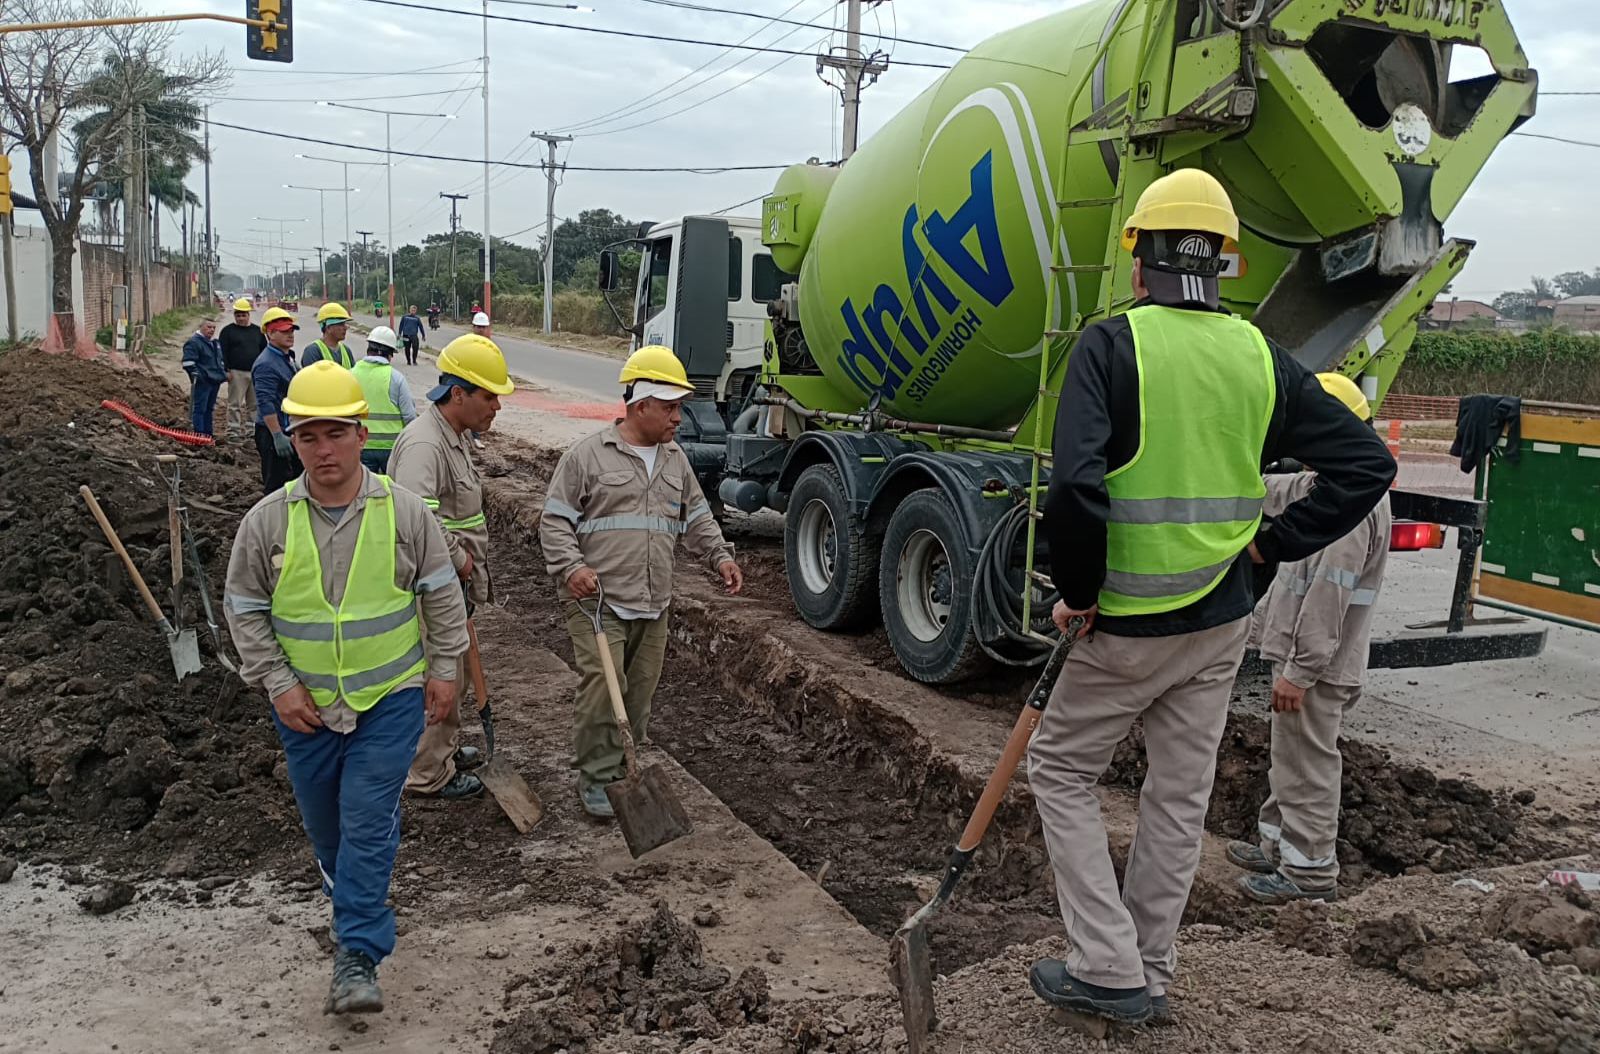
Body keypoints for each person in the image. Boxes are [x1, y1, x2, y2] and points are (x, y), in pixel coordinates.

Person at [1026, 169, 1396, 1027]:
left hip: (1124, 623)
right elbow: (1367, 467)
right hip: (1220, 621)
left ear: (1137, 260)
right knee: (1177, 799)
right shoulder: (1260, 354)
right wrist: (1266, 548)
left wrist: (1076, 592)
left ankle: (1107, 963)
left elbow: (1077, 491)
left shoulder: (1111, 345)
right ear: (1224, 263)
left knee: (1060, 769)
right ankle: (1150, 971)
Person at [223, 360, 469, 1016]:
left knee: (365, 817)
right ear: (293, 442)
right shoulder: (268, 523)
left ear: (363, 434)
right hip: (304, 709)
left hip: (388, 698)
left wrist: (445, 671)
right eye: (308, 436)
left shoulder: (406, 515)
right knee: (327, 828)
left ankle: (357, 951)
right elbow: (243, 605)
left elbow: (443, 597)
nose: (323, 449)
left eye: (336, 433)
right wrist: (277, 682)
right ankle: (351, 896)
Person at [538, 345, 744, 818]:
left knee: (639, 690)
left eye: (680, 408)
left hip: (654, 600)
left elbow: (697, 515)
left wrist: (719, 557)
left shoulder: (675, 462)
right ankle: (595, 776)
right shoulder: (587, 457)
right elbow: (554, 522)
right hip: (597, 601)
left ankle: (623, 767)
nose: (678, 418)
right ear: (639, 405)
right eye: (670, 408)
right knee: (600, 685)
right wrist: (572, 568)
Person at [1229, 373, 1392, 905]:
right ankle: (1276, 844)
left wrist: (1299, 671)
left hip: (1319, 669)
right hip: (1312, 664)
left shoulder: (1348, 512)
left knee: (1309, 763)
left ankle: (1310, 872)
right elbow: (1284, 491)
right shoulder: (1331, 485)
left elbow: (1328, 600)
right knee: (1290, 755)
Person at [391, 334, 513, 800]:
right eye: (488, 395)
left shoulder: (455, 438)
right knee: (439, 675)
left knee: (456, 673)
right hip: (433, 583)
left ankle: (441, 749)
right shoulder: (425, 444)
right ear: (457, 393)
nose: (496, 405)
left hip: (450, 581)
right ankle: (426, 771)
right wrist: (459, 562)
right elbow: (418, 519)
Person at [351, 326, 417, 475]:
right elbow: (409, 416)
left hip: (361, 446)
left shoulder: (351, 375)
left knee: (364, 491)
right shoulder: (396, 377)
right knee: (393, 492)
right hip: (392, 448)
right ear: (390, 354)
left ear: (369, 349)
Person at [253, 307, 303, 494]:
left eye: (291, 330)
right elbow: (265, 402)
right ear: (270, 333)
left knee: (295, 479)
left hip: (287, 428)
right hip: (272, 431)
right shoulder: (266, 364)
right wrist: (276, 435)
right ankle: (273, 520)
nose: (290, 335)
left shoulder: (286, 357)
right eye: (284, 331)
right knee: (276, 484)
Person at [219, 298, 266, 440]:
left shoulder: (258, 331)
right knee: (235, 403)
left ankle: (252, 429)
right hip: (236, 372)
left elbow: (264, 351)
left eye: (243, 315)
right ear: (234, 316)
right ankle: (234, 430)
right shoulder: (227, 332)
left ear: (248, 315)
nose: (241, 318)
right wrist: (226, 370)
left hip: (255, 373)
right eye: (238, 315)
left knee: (254, 404)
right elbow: (223, 352)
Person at [182, 318, 227, 438]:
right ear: (201, 327)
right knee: (200, 409)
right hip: (203, 382)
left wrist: (222, 374)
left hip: (214, 381)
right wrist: (199, 376)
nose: (211, 330)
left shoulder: (214, 343)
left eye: (213, 328)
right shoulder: (194, 342)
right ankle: (199, 434)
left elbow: (219, 360)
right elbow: (188, 363)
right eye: (209, 327)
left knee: (209, 409)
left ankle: (208, 434)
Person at [303, 303, 356, 368]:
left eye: (344, 324)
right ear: (328, 328)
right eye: (341, 324)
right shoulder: (312, 351)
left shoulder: (346, 351)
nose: (345, 328)